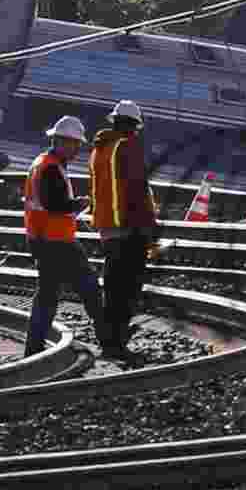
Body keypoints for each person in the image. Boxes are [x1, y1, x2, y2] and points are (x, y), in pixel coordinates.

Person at [23, 116, 107, 357]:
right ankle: (108, 339)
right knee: (89, 287)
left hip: (42, 238)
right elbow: (54, 204)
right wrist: (78, 204)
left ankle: (33, 348)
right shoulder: (50, 166)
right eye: (76, 144)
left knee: (48, 295)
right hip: (57, 241)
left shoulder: (45, 162)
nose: (78, 149)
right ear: (64, 142)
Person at [88, 100, 158, 357]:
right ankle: (116, 342)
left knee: (113, 285)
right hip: (130, 228)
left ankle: (109, 338)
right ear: (133, 125)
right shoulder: (128, 147)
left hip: (107, 228)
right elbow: (138, 190)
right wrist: (150, 228)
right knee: (128, 288)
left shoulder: (99, 149)